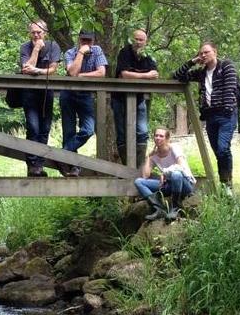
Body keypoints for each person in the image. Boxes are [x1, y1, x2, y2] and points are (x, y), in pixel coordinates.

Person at [172, 41, 240, 193]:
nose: (203, 55)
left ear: (215, 52)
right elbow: (177, 76)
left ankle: (227, 185)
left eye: (206, 52)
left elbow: (230, 90)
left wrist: (226, 110)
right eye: (201, 53)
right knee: (218, 152)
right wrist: (192, 61)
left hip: (226, 115)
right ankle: (225, 185)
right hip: (210, 117)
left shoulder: (226, 66)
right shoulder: (201, 73)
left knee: (223, 149)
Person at [58, 29, 108, 176]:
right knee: (69, 132)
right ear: (78, 40)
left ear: (93, 41)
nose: (86, 43)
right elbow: (72, 73)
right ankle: (73, 167)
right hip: (68, 94)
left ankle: (61, 155)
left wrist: (81, 75)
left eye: (89, 41)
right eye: (83, 40)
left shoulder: (97, 50)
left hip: (85, 95)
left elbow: (101, 73)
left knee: (88, 130)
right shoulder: (70, 53)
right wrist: (81, 53)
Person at [18, 20, 60, 177]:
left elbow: (54, 69)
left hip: (47, 92)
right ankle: (31, 164)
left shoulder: (53, 46)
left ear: (45, 33)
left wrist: (36, 70)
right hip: (29, 93)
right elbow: (25, 69)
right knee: (33, 127)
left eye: (39, 32)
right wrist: (36, 49)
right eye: (33, 32)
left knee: (44, 129)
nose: (36, 35)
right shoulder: (25, 47)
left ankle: (39, 166)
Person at [111, 29, 158, 167]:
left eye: (141, 40)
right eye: (136, 39)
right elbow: (124, 74)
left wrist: (143, 75)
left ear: (145, 41)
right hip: (119, 98)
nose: (138, 42)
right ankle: (128, 169)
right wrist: (146, 75)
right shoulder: (124, 52)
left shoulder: (148, 56)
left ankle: (139, 168)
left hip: (139, 98)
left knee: (142, 132)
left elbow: (155, 74)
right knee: (121, 133)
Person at [135, 127, 196, 221]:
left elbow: (181, 166)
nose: (158, 138)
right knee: (139, 182)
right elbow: (145, 176)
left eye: (161, 136)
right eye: (156, 135)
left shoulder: (174, 147)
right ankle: (159, 208)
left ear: (167, 138)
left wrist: (165, 172)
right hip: (168, 185)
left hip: (184, 183)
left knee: (176, 174)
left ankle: (175, 208)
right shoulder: (154, 155)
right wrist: (148, 158)